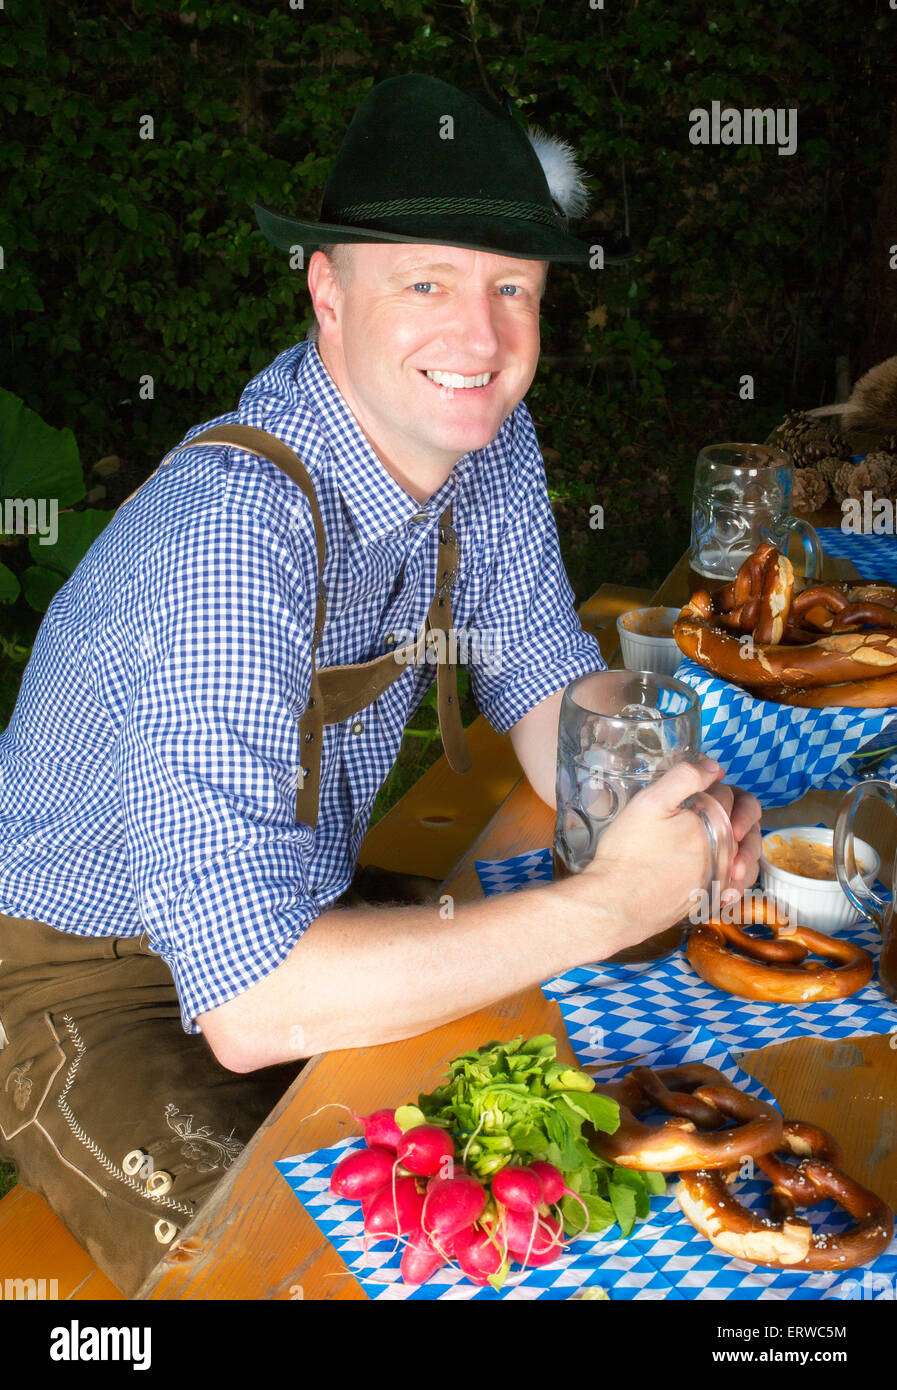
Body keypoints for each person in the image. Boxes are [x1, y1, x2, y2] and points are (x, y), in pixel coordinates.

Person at [0, 74, 761, 1296]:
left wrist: (653, 792)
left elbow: (543, 676)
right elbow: (249, 1001)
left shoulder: (480, 434)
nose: (481, 337)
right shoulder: (231, 538)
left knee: (590, 1131)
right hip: (94, 978)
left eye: (511, 286)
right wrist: (608, 901)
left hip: (293, 900)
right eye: (427, 281)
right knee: (317, 1276)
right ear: (327, 289)